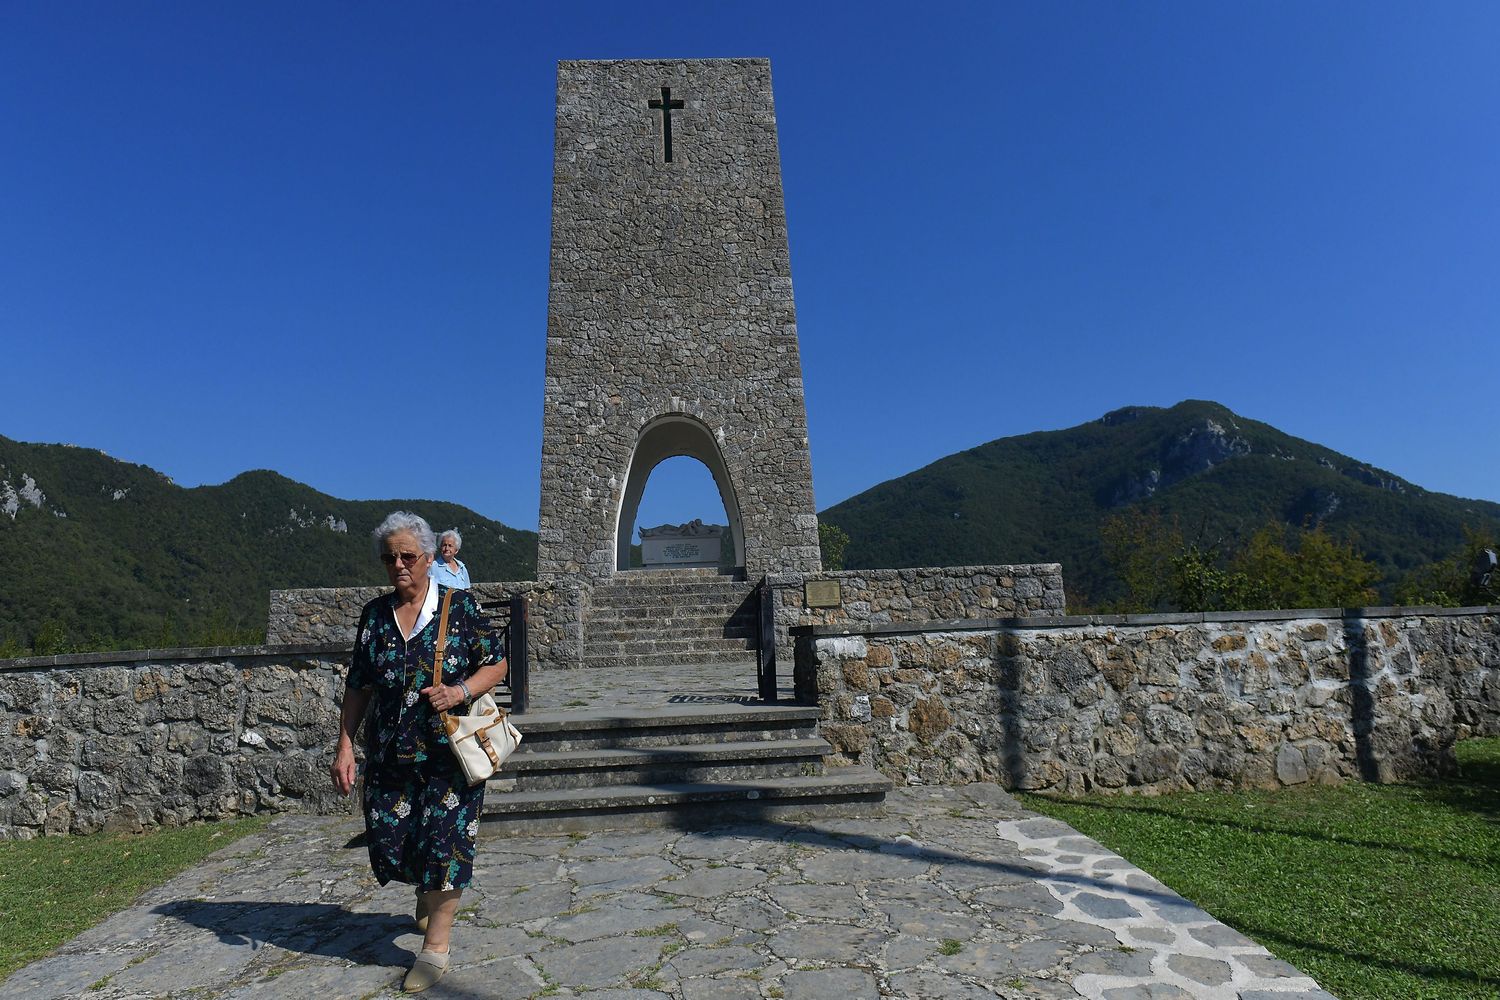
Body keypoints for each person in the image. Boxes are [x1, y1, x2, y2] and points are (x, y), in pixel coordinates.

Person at [331, 511, 507, 993]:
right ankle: (426, 893)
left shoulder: (460, 608)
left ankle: (436, 947)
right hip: (389, 754)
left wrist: (461, 691)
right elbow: (359, 685)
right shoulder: (374, 616)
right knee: (393, 842)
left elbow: (497, 663)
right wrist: (345, 744)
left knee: (446, 842)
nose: (399, 565)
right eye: (389, 558)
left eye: (408, 556)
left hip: (448, 753)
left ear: (429, 558)